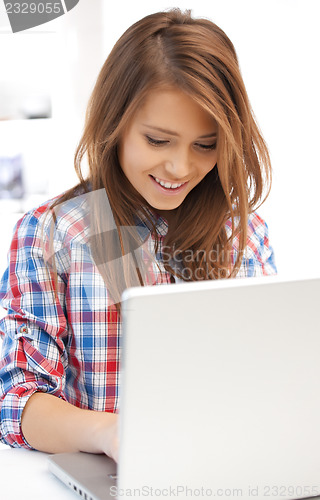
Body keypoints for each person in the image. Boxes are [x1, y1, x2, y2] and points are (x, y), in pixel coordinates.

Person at [0, 8, 276, 462]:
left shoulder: (243, 234)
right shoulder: (52, 235)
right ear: (116, 124)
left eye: (205, 145)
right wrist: (112, 434)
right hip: (112, 472)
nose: (180, 168)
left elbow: (271, 373)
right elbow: (17, 403)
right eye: (158, 140)